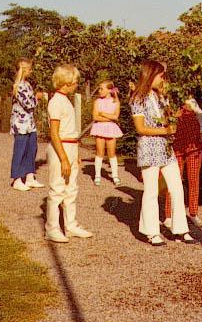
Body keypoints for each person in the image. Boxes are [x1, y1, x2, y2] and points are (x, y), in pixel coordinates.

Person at [130, 60, 197, 246]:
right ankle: (151, 232)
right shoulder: (138, 99)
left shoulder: (161, 98)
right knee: (151, 190)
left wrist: (171, 120)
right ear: (150, 75)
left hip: (166, 148)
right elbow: (141, 128)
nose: (163, 79)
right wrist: (165, 131)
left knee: (176, 186)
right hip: (149, 148)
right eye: (161, 76)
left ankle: (181, 229)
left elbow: (166, 119)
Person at [45, 64, 92, 243]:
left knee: (71, 188)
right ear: (67, 82)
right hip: (60, 148)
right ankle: (52, 228)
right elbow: (55, 133)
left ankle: (70, 225)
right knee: (57, 188)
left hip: (70, 146)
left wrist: (75, 153)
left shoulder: (66, 101)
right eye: (75, 81)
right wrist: (64, 158)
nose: (77, 84)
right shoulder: (56, 102)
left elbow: (70, 130)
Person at [164, 96, 202, 227]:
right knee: (174, 180)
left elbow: (201, 117)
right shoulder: (171, 100)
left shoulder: (193, 103)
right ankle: (168, 215)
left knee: (193, 179)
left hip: (193, 146)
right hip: (177, 146)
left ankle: (193, 213)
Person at [9, 58, 45, 191]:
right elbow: (29, 104)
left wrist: (34, 98)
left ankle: (30, 176)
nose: (31, 71)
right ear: (23, 70)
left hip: (29, 122)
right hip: (20, 123)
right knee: (20, 151)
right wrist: (37, 98)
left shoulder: (27, 84)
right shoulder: (18, 86)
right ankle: (17, 179)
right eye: (29, 69)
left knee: (32, 149)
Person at [90, 80, 123, 186]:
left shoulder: (115, 102)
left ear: (109, 90)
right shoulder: (97, 102)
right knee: (99, 152)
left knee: (112, 153)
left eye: (101, 89)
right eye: (99, 88)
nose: (99, 91)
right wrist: (110, 118)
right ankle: (97, 175)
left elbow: (116, 116)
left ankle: (115, 175)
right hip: (99, 128)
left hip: (111, 129)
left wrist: (103, 114)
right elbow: (95, 117)